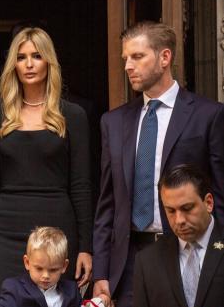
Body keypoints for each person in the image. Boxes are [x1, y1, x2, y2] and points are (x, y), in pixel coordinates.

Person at [92, 22, 224, 307]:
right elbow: (107, 202)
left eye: (137, 57)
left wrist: (216, 256)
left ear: (165, 58)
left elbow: (220, 195)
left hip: (188, 253)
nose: (128, 66)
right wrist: (101, 271)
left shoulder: (208, 115)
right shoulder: (112, 123)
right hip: (127, 263)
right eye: (125, 58)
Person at [0, 27, 92, 305]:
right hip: (4, 233)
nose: (28, 64)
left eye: (37, 56)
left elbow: (81, 186)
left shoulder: (73, 116)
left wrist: (85, 247)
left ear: (49, 61)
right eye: (21, 57)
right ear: (13, 63)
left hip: (56, 232)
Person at [133, 164, 224, 307]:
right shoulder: (147, 262)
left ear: (208, 203)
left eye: (187, 208)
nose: (179, 220)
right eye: (171, 211)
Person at [0, 226, 86, 307]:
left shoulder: (72, 290)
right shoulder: (14, 288)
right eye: (39, 268)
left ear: (64, 266)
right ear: (27, 263)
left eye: (53, 270)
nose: (46, 275)